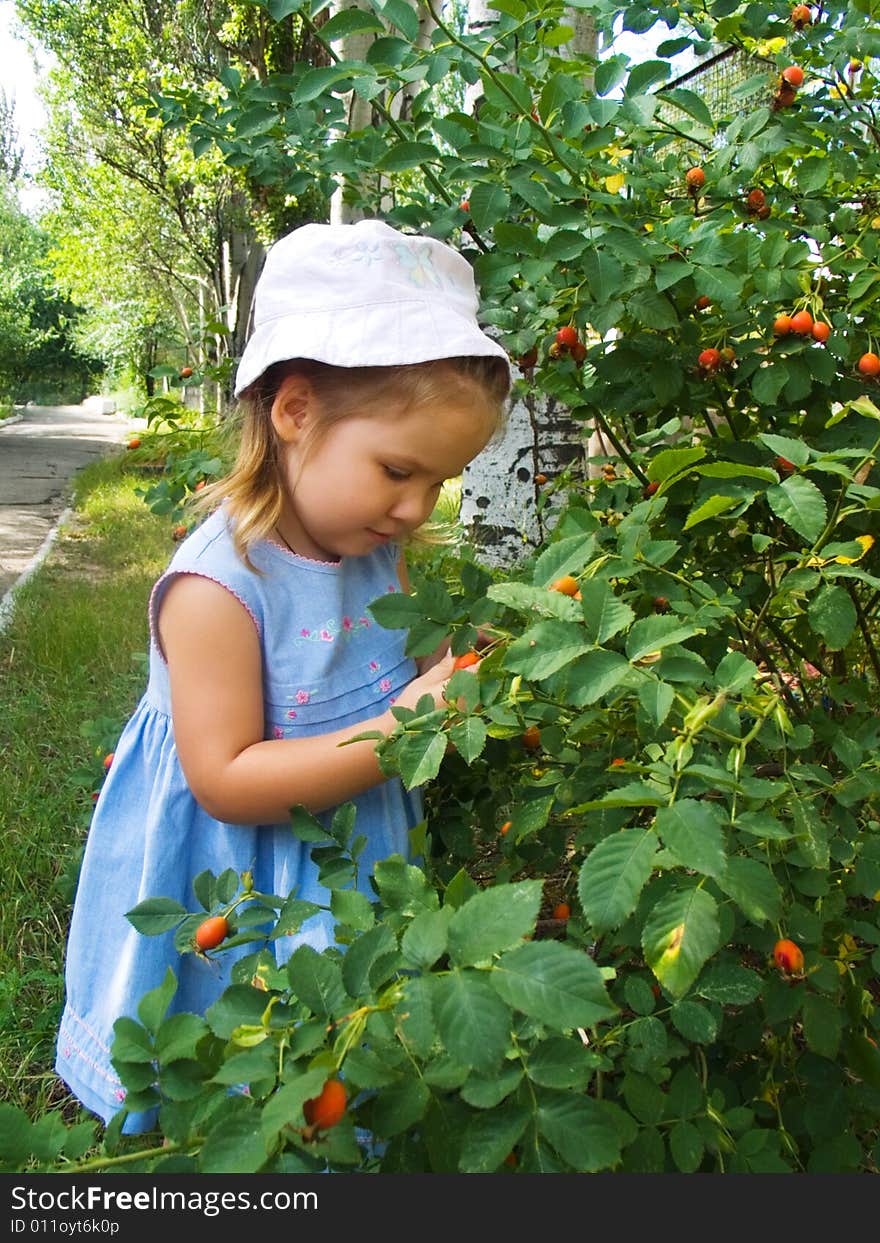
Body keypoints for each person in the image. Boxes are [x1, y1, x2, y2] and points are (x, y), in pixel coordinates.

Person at [54, 218, 512, 1134]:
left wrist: (460, 667)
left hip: (347, 844)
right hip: (236, 873)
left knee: (348, 1044)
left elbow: (415, 666)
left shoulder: (381, 550)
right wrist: (401, 730)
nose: (418, 507)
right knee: (245, 1064)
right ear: (295, 410)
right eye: (398, 470)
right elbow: (224, 780)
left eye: (444, 481)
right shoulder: (220, 585)